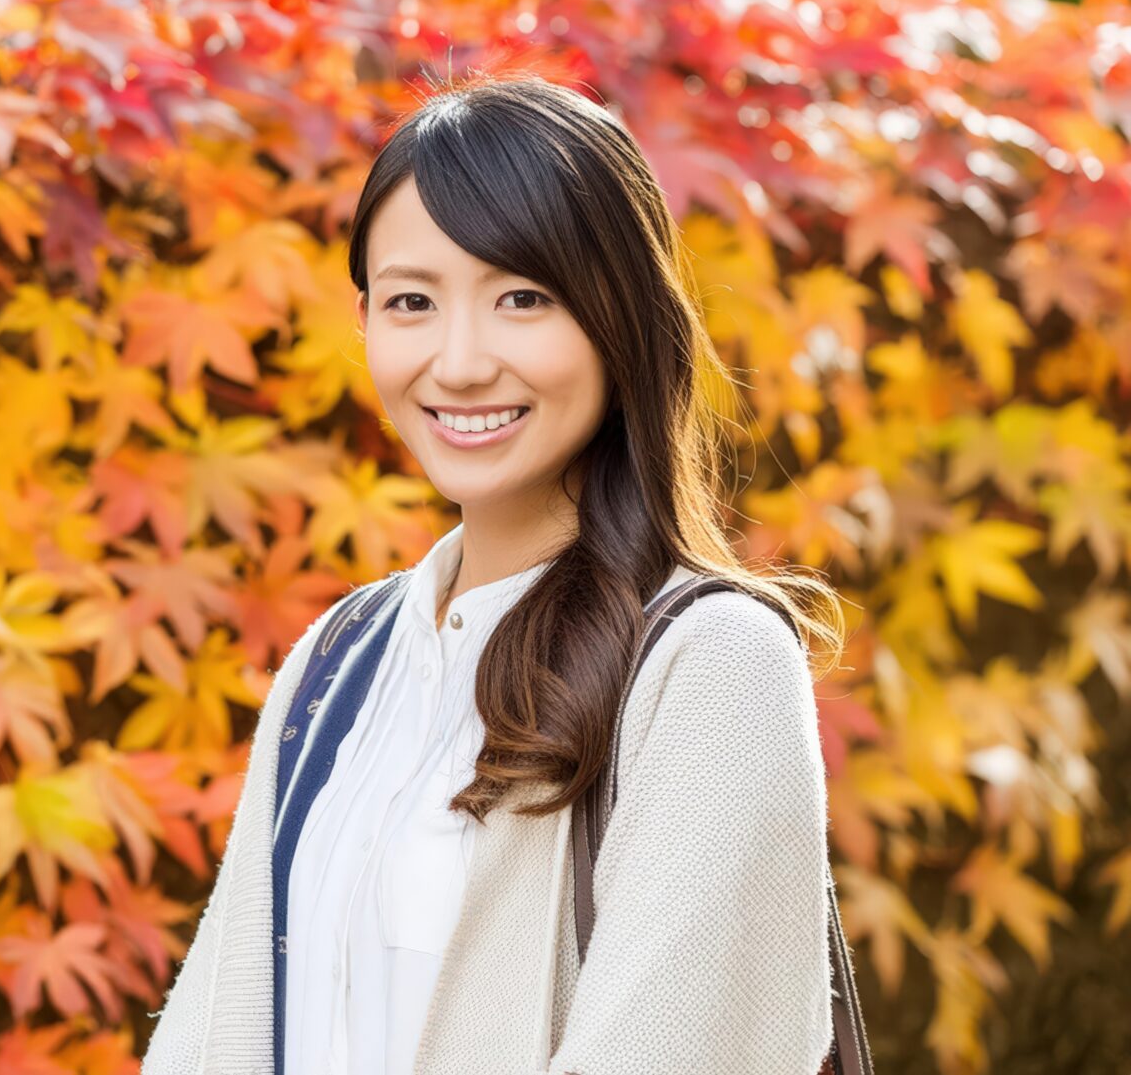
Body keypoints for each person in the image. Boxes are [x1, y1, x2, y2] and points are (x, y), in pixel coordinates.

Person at [139, 73, 849, 1075]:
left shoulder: (708, 662)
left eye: (523, 297)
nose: (460, 361)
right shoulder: (338, 662)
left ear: (619, 314)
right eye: (413, 301)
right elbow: (217, 1028)